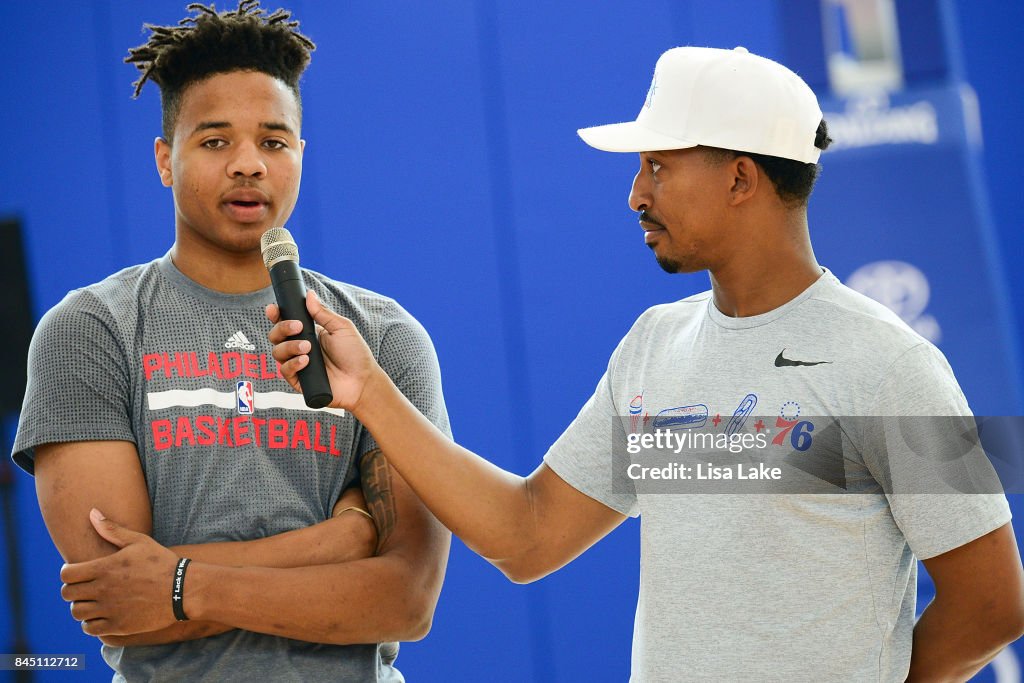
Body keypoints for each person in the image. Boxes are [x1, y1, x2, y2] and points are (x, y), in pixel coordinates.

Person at [259, 46, 1024, 681]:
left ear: (739, 178)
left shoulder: (892, 363)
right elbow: (527, 536)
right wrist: (369, 393)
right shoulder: (656, 346)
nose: (634, 193)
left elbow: (992, 602)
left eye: (659, 166)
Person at [14, 1, 450, 680]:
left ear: (300, 156)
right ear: (165, 158)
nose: (249, 164)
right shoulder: (89, 329)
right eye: (215, 140)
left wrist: (181, 579)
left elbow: (406, 597)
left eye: (274, 141)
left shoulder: (384, 337)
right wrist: (343, 539)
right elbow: (122, 598)